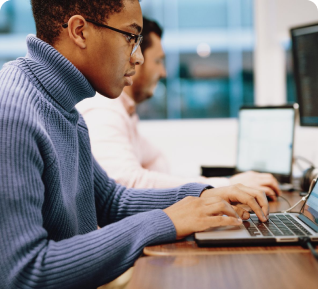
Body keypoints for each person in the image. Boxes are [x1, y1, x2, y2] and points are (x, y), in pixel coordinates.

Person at [0, 1, 269, 288]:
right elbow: (24, 273)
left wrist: (205, 195)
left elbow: (110, 201)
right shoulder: (13, 113)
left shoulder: (64, 108)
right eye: (131, 37)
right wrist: (166, 221)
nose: (138, 57)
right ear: (80, 31)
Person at [77, 17, 281, 199]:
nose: (163, 72)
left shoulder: (124, 110)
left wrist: (217, 184)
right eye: (158, 61)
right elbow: (127, 184)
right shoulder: (103, 110)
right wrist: (226, 186)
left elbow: (156, 163)